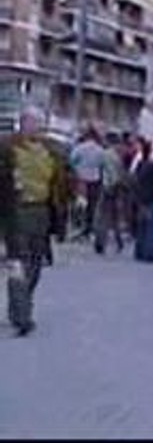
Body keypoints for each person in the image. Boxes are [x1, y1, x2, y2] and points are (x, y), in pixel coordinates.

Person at [0, 107, 70, 337]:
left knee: (36, 267)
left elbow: (61, 183)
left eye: (40, 122)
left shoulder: (51, 151)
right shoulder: (7, 147)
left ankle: (20, 303)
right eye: (33, 122)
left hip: (42, 214)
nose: (37, 126)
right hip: (15, 212)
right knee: (17, 263)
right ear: (23, 123)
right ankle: (22, 316)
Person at [94, 133, 128, 255]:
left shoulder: (105, 154)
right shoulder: (117, 156)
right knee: (115, 216)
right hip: (116, 187)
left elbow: (103, 169)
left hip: (107, 187)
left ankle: (100, 243)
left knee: (103, 217)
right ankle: (119, 242)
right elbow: (120, 171)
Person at [70, 128, 106, 240]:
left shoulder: (80, 148)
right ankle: (89, 227)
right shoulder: (100, 150)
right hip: (94, 180)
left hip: (81, 179)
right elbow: (102, 164)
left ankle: (78, 225)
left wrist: (77, 170)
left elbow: (71, 160)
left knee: (79, 203)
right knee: (92, 205)